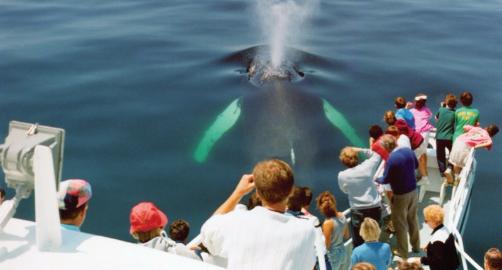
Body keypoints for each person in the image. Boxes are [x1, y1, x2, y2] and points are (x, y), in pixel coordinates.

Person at [200, 159, 317, 270]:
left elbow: (208, 232)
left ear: (257, 193)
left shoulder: (237, 223)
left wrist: (237, 193)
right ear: (291, 191)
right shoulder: (307, 230)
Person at [376, 135, 420, 259]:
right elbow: (416, 165)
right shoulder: (408, 151)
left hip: (400, 195)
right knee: (412, 219)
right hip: (413, 191)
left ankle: (403, 253)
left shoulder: (391, 159)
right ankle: (416, 247)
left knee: (400, 224)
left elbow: (385, 179)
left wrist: (376, 179)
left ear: (385, 147)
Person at [338, 147, 382, 247]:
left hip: (358, 210)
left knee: (359, 241)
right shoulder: (367, 167)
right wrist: (359, 149)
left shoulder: (342, 175)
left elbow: (344, 190)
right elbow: (376, 155)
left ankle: (362, 260)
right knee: (375, 236)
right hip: (374, 207)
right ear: (356, 158)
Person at [130, 202, 200, 260]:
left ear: (135, 232)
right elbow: (199, 263)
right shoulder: (175, 250)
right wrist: (195, 252)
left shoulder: (133, 255)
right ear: (159, 227)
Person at [410, 205, 459, 270]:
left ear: (434, 221)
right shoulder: (445, 229)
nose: (426, 223)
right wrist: (429, 245)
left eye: (426, 221)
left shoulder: (438, 241)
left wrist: (421, 260)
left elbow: (437, 260)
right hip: (451, 264)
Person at [317, 191, 349, 270]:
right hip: (343, 251)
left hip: (333, 256)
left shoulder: (327, 223)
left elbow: (327, 246)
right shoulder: (342, 215)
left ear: (321, 207)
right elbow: (347, 236)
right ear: (334, 203)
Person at [410, 94, 434, 184]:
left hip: (416, 135)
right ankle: (424, 174)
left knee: (416, 155)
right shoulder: (427, 110)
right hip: (425, 134)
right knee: (423, 153)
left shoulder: (411, 111)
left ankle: (420, 176)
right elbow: (430, 116)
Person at [435, 94, 457, 184]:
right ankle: (450, 167)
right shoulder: (455, 113)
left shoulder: (441, 110)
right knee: (453, 154)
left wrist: (442, 106)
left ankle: (443, 173)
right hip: (449, 137)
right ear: (455, 104)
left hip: (439, 137)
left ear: (446, 102)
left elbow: (436, 118)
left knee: (440, 156)